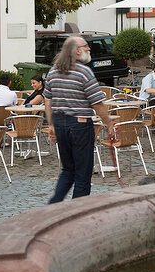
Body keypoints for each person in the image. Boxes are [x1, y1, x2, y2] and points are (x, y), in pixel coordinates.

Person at [43, 36, 115, 202]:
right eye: (86, 46)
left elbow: (48, 100)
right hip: (80, 125)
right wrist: (109, 124)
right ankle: (77, 211)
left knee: (68, 170)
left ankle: (54, 204)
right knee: (83, 173)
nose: (89, 49)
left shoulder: (54, 71)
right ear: (77, 50)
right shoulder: (84, 71)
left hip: (60, 124)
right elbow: (97, 103)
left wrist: (51, 124)